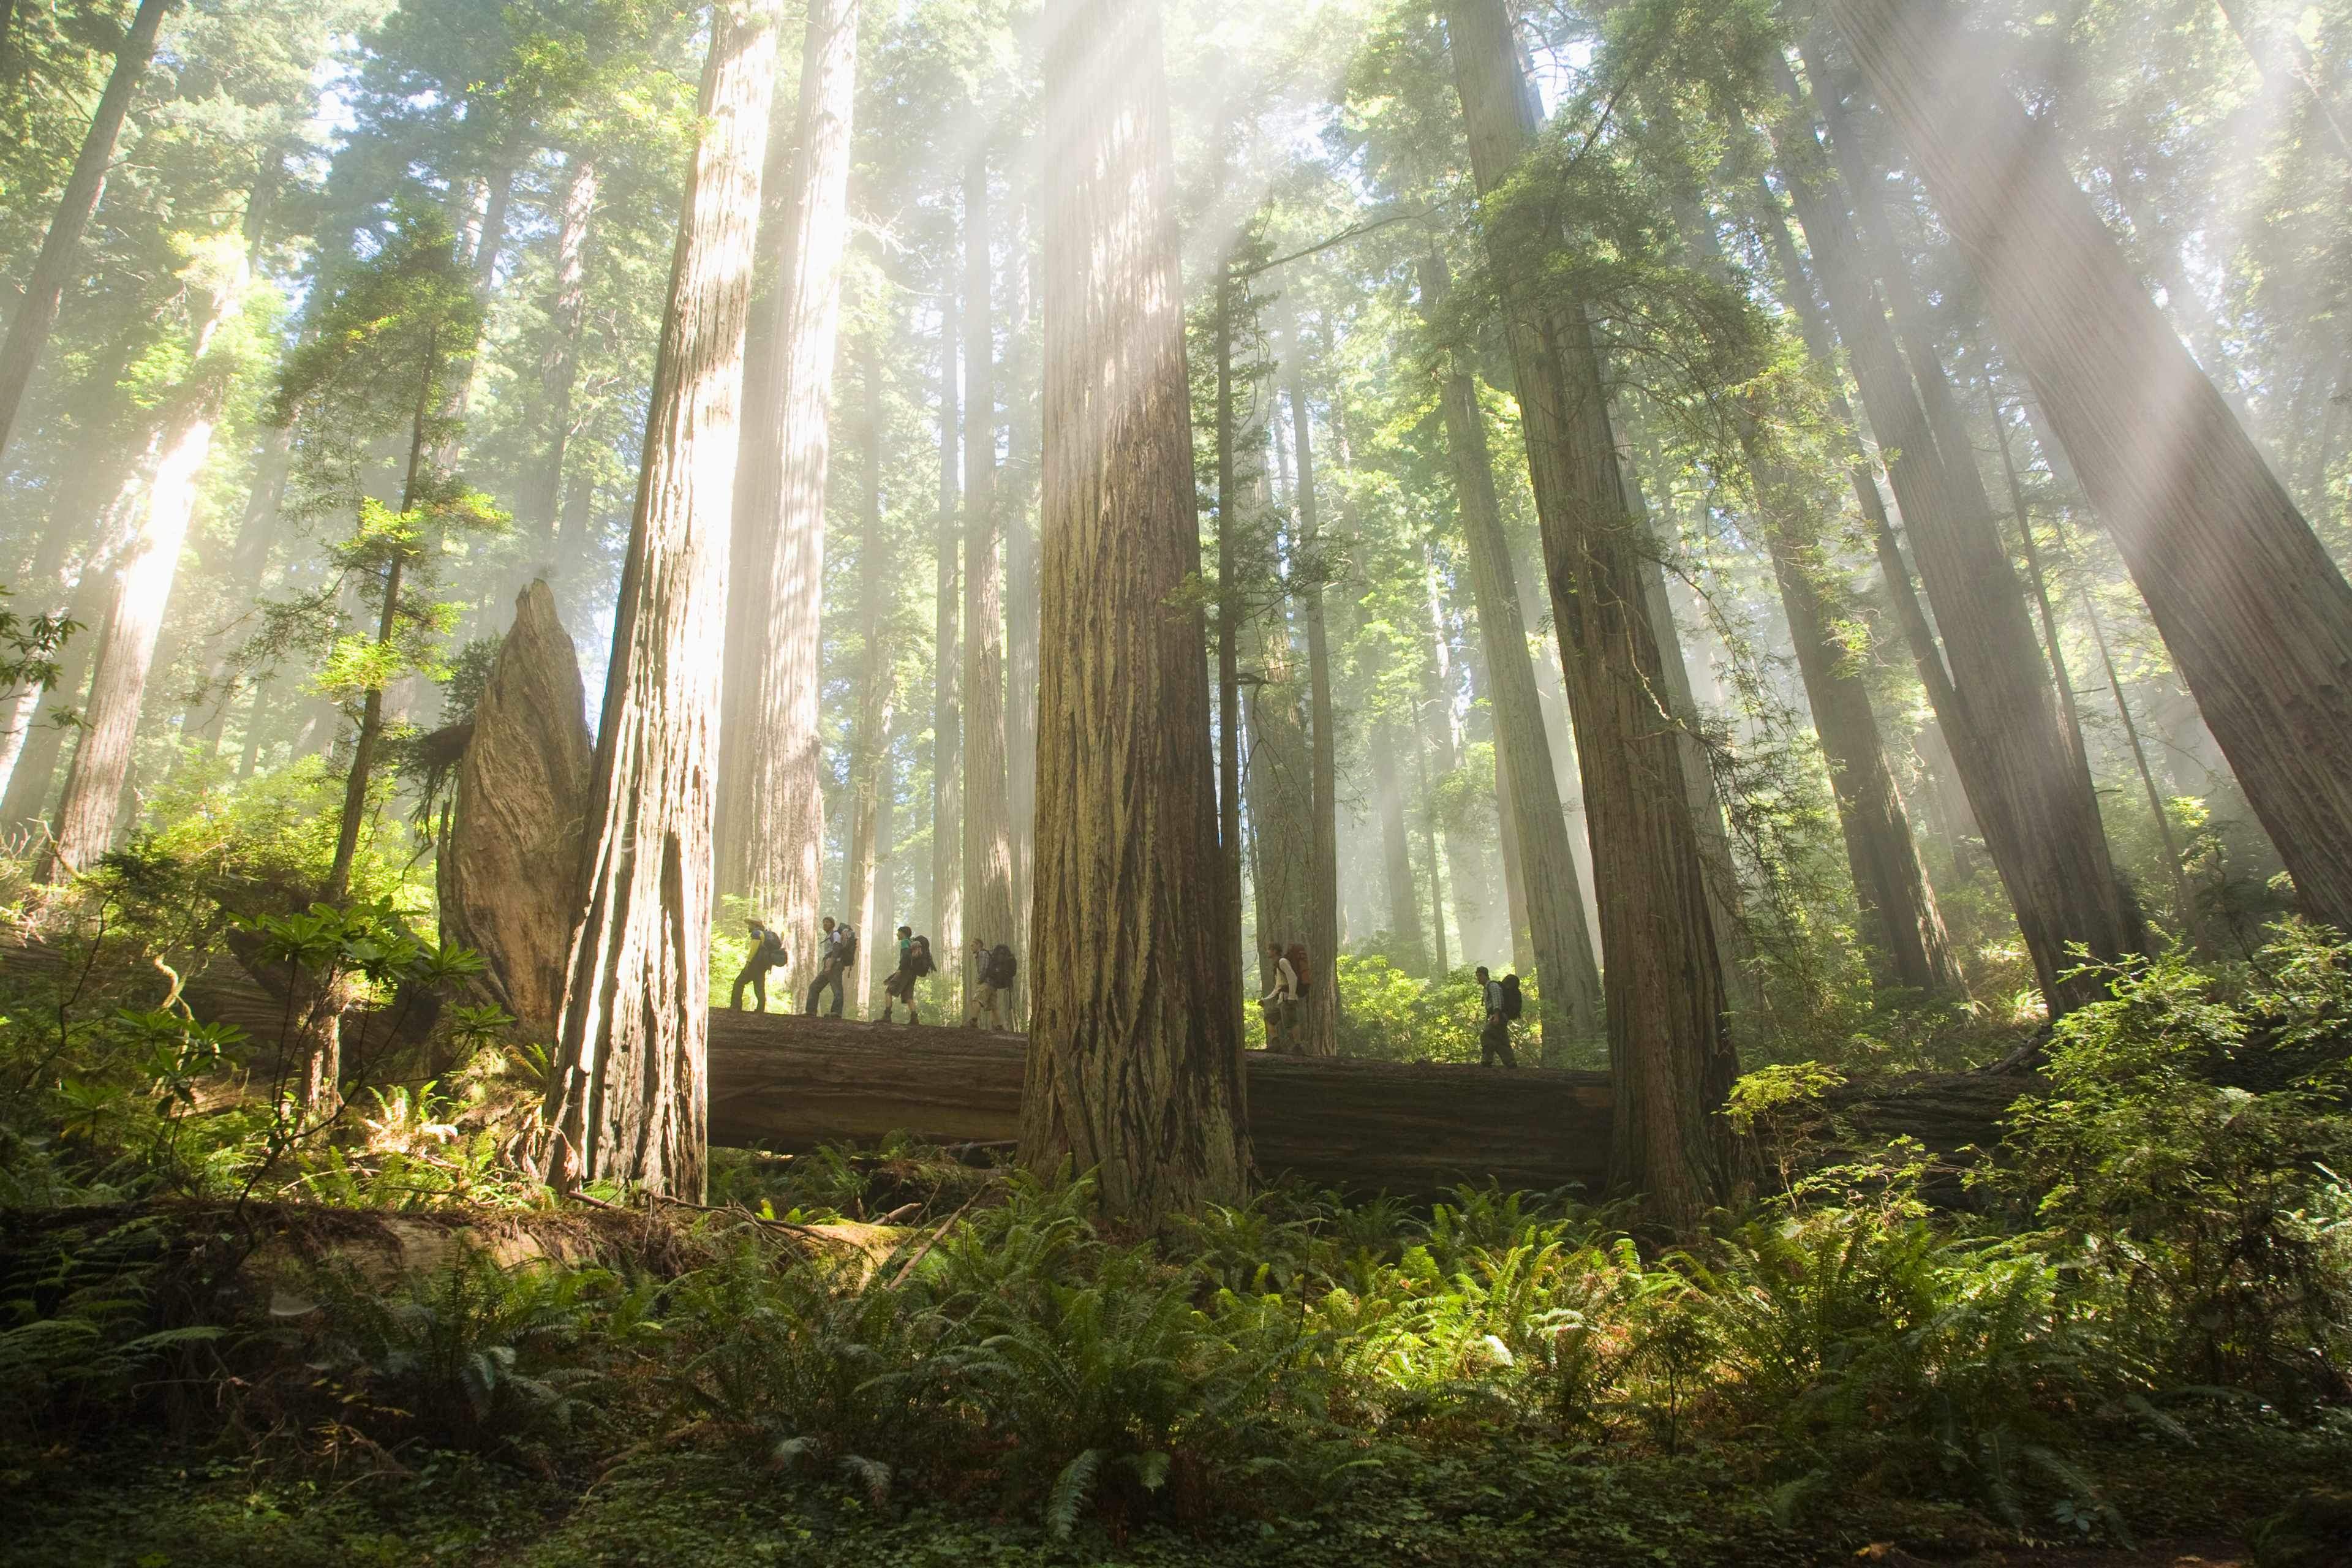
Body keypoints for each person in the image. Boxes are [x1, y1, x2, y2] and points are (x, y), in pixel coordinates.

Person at [731, 919, 787, 1012]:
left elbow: (754, 949)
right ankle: (760, 1009)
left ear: (754, 925)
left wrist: (748, 962)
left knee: (739, 983)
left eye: (749, 925)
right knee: (759, 986)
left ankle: (736, 1007)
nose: (748, 927)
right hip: (763, 965)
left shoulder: (756, 934)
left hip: (754, 964)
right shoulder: (766, 934)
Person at [805, 916, 854, 1018]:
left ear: (832, 924)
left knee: (837, 990)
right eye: (824, 923)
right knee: (814, 987)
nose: (825, 924)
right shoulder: (829, 936)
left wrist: (829, 966)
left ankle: (836, 1013)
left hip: (835, 965)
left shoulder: (835, 935)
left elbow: (836, 950)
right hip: (829, 966)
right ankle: (811, 1012)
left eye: (827, 922)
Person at [1260, 941, 1301, 1052]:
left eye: (1269, 949)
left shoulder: (1283, 962)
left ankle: (1298, 1047)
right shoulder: (1277, 965)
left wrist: (1292, 997)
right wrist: (1266, 1000)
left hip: (1288, 999)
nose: (1267, 952)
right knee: (1269, 1019)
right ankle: (1276, 1044)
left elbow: (1293, 978)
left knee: (1292, 1023)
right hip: (1281, 1000)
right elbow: (1278, 987)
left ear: (1275, 951)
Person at [966, 937, 1014, 1030]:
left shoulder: (982, 954)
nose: (971, 948)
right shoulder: (988, 953)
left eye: (973, 945)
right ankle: (999, 1026)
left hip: (987, 983)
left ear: (979, 945)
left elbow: (983, 970)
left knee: (976, 1000)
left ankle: (973, 1022)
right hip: (993, 985)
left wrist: (980, 981)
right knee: (993, 1006)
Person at [1476, 965, 1517, 1068]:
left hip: (1499, 1015)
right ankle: (1510, 1062)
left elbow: (1497, 1001)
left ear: (1486, 976)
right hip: (1496, 1016)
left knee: (1486, 1035)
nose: (1478, 978)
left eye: (1480, 975)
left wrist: (1497, 1016)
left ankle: (1487, 1060)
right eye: (1477, 976)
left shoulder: (1492, 986)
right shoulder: (1486, 988)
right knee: (1501, 1039)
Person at [879, 925, 921, 1025]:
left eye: (898, 932)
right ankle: (914, 1018)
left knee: (889, 991)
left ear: (903, 933)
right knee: (909, 996)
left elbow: (906, 957)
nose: (897, 934)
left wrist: (899, 971)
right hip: (913, 973)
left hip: (905, 971)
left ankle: (887, 1016)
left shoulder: (905, 942)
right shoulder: (912, 943)